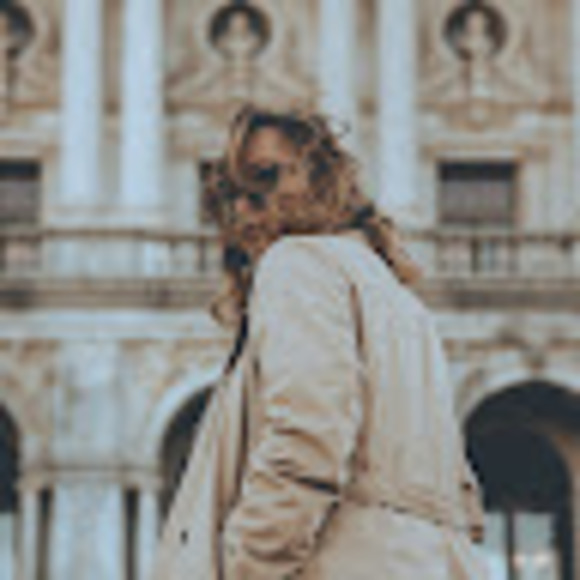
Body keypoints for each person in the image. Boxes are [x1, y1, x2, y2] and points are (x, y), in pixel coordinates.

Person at [151, 105, 489, 580]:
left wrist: (249, 565)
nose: (243, 209)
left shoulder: (297, 263)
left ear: (322, 180)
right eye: (230, 195)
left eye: (264, 179)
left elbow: (306, 439)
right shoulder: (402, 303)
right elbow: (464, 495)